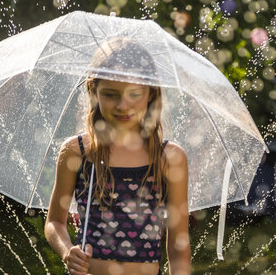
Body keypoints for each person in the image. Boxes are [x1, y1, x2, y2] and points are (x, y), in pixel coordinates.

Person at [44, 38, 191, 275]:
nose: (123, 105)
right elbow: (54, 223)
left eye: (134, 94)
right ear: (93, 91)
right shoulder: (78, 151)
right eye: (111, 95)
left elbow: (177, 244)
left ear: (151, 93)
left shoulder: (169, 158)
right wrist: (67, 251)